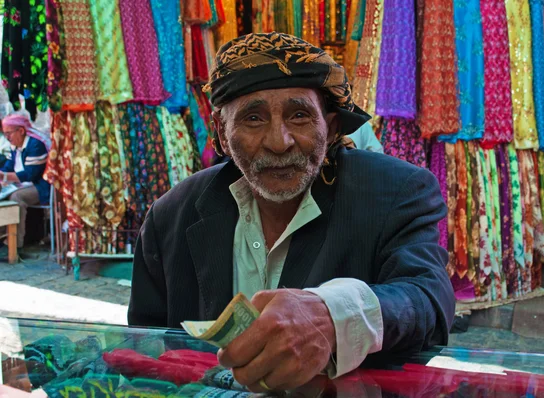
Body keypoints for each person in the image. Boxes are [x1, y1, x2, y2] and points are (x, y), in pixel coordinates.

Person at [128, 32, 454, 392]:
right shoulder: (172, 215)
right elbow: (146, 347)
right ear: (221, 133)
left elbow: (427, 300)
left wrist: (331, 317)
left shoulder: (395, 192)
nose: (278, 141)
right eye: (253, 118)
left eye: (299, 115)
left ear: (329, 127)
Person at [0, 114, 50, 252]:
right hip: (22, 184)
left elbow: (30, 174)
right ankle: (3, 234)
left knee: (17, 198)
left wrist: (4, 176)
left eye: (9, 133)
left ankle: (15, 243)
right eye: (5, 134)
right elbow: (9, 166)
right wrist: (2, 176)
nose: (7, 137)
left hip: (39, 186)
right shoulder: (14, 145)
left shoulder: (35, 145)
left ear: (21, 131)